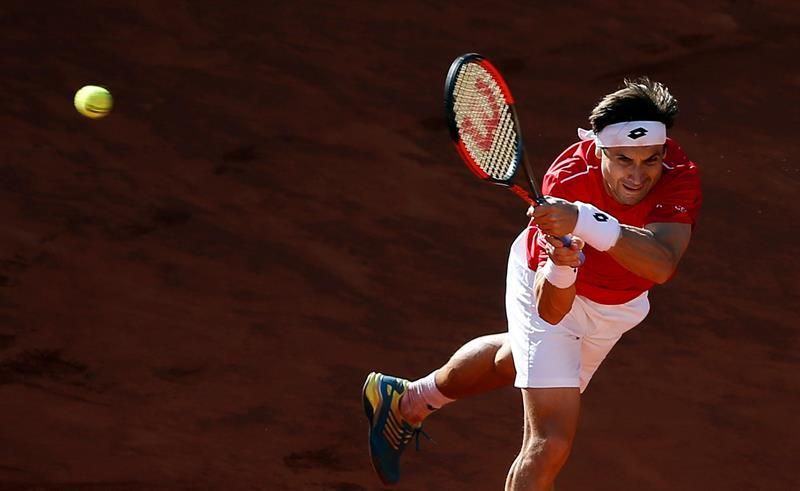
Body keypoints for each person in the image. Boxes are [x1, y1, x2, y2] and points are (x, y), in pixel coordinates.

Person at [362, 77, 702, 490]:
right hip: (549, 288)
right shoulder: (566, 180)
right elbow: (551, 311)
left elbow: (661, 264)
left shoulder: (678, 173)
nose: (638, 175)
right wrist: (561, 265)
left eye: (650, 160)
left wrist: (583, 220)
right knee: (550, 442)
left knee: (513, 359)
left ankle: (407, 401)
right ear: (599, 151)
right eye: (624, 160)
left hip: (617, 308)